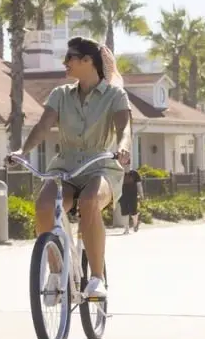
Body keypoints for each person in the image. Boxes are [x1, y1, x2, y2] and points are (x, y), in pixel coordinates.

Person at [9, 36, 132, 302]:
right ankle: (56, 272)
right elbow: (42, 128)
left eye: (71, 58)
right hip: (65, 166)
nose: (65, 62)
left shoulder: (115, 95)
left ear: (88, 61)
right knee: (44, 206)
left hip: (101, 165)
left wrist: (122, 147)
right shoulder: (60, 95)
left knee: (89, 202)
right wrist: (22, 151)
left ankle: (97, 279)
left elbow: (124, 128)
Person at [120, 165, 143, 233]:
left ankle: (135, 225)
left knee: (133, 212)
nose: (125, 166)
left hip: (133, 195)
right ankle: (126, 229)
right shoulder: (120, 173)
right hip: (122, 195)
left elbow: (139, 185)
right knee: (124, 212)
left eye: (127, 164)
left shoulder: (135, 173)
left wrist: (141, 194)